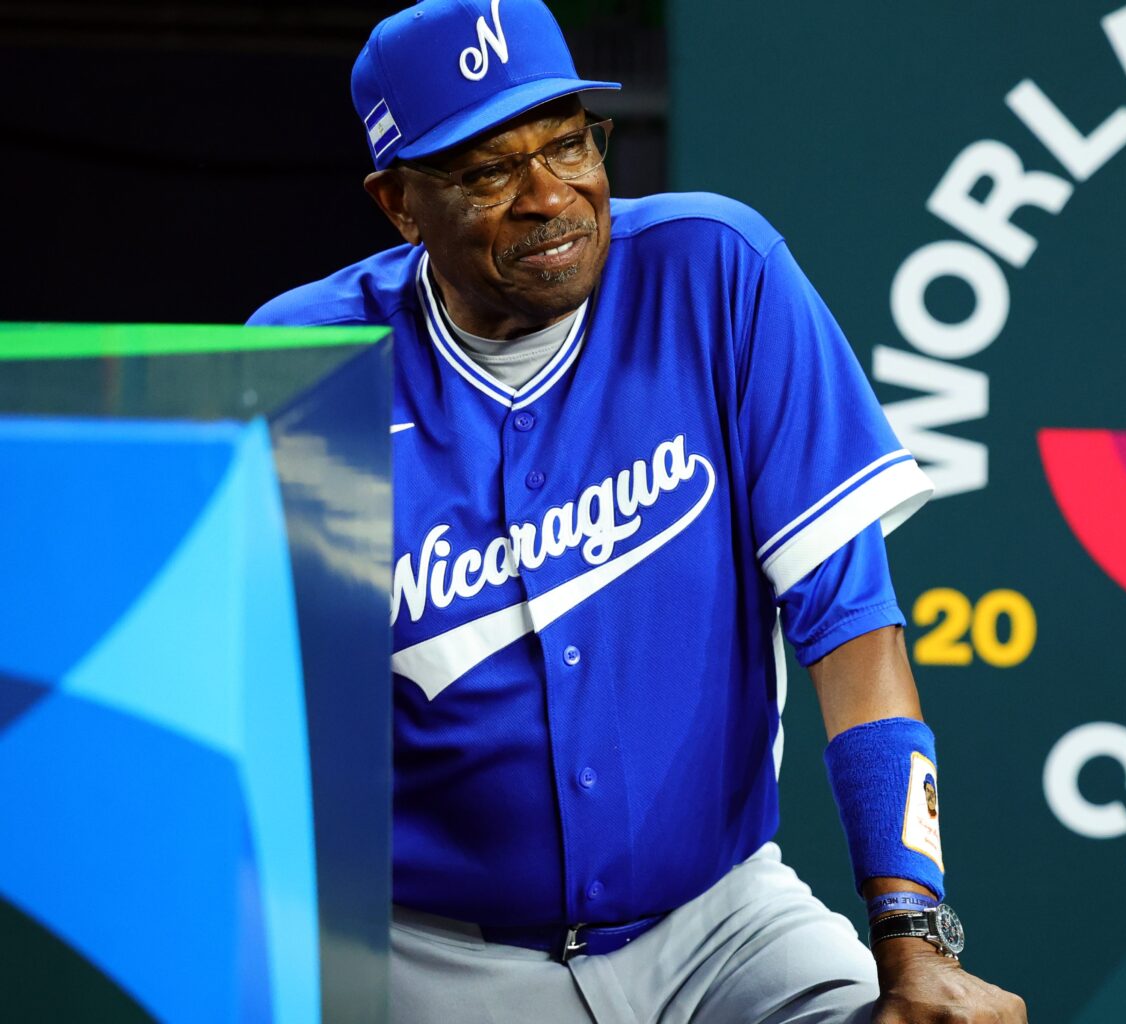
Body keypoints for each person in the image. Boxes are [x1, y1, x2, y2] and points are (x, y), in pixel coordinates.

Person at [248, 2, 1027, 1021]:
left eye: (568, 143)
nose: (549, 196)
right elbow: (255, 700)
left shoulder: (717, 273)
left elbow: (851, 629)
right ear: (399, 203)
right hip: (438, 955)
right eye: (490, 171)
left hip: (722, 922)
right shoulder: (311, 358)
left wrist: (914, 934)